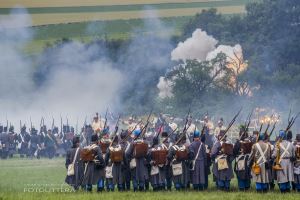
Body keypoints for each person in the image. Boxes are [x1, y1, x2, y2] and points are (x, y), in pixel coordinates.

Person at [233, 126, 252, 191]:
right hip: (247, 160)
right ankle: (247, 186)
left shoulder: (238, 142)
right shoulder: (250, 142)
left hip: (240, 160)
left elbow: (234, 151)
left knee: (241, 173)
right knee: (246, 173)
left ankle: (242, 187)